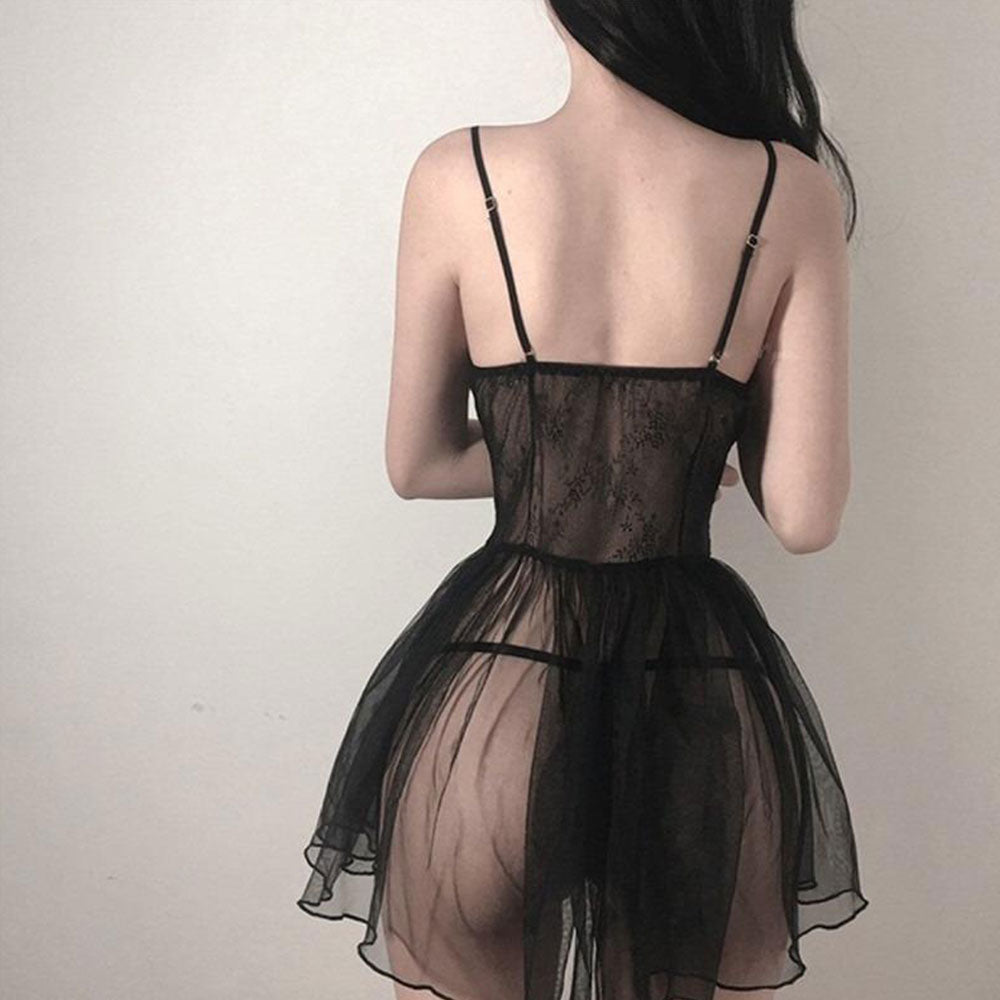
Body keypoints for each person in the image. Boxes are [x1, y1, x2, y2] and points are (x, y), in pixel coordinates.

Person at [297, 2, 869, 998]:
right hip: (682, 685)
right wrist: (684, 454)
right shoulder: (788, 190)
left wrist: (556, 459)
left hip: (498, 687)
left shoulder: (461, 173)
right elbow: (804, 518)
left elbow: (419, 463)